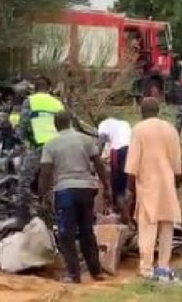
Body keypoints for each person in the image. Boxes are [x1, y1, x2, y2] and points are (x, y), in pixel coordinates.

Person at [38, 111, 109, 284]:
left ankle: (73, 274)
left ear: (55, 126)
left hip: (65, 191)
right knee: (87, 231)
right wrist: (106, 185)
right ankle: (96, 271)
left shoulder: (51, 145)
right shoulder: (85, 140)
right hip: (86, 189)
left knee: (66, 233)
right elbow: (98, 164)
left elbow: (45, 172)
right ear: (70, 122)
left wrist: (43, 195)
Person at [124, 97, 182, 281]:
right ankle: (164, 265)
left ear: (142, 111)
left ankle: (146, 267)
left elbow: (132, 163)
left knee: (148, 227)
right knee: (167, 225)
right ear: (158, 111)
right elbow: (177, 165)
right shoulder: (170, 129)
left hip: (148, 183)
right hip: (167, 182)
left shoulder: (139, 129)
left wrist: (129, 189)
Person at [17, 75, 65, 222]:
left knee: (24, 181)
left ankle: (26, 216)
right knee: (53, 182)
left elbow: (24, 125)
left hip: (38, 146)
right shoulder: (57, 104)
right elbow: (65, 126)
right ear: (49, 88)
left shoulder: (30, 101)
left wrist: (26, 141)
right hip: (58, 147)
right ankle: (54, 214)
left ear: (34, 88)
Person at [97, 116, 131, 215]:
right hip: (132, 149)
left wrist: (96, 157)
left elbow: (101, 141)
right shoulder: (124, 123)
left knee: (116, 185)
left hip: (119, 151)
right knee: (127, 182)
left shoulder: (102, 124)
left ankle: (119, 212)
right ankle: (127, 212)